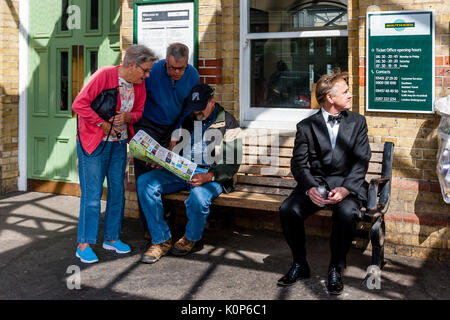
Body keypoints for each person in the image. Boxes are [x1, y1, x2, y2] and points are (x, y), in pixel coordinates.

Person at [277, 71, 371, 295]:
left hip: (347, 187)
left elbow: (361, 161)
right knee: (287, 210)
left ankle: (336, 267)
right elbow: (298, 164)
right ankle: (300, 263)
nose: (350, 95)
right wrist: (310, 188)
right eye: (345, 92)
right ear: (330, 97)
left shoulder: (358, 122)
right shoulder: (306, 126)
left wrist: (347, 188)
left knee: (346, 214)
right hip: (316, 186)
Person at [137, 84, 242, 264]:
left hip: (212, 174)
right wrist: (162, 160)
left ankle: (191, 238)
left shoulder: (229, 122)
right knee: (145, 182)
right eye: (194, 109)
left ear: (212, 102)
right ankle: (161, 240)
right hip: (183, 170)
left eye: (201, 108)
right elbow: (177, 150)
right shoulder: (189, 119)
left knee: (198, 197)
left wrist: (208, 176)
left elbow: (232, 161)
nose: (197, 113)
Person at [72, 44, 157, 263]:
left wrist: (129, 118)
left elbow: (138, 111)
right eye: (145, 70)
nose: (147, 75)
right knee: (92, 195)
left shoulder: (139, 84)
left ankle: (111, 238)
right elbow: (79, 104)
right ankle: (84, 244)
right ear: (131, 64)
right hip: (94, 143)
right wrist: (101, 123)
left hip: (118, 143)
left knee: (117, 191)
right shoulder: (104, 75)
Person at [133, 42, 200, 240]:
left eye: (181, 68)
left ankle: (167, 220)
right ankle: (149, 226)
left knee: (167, 171)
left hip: (173, 128)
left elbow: (189, 108)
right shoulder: (152, 72)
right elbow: (138, 97)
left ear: (187, 63)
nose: (176, 72)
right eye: (172, 68)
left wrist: (178, 129)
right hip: (148, 126)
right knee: (145, 175)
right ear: (166, 61)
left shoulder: (193, 74)